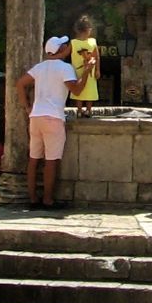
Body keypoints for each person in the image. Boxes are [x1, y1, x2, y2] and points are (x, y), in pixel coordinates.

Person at [17, 35, 81, 210]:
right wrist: (88, 71)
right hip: (53, 117)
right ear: (61, 50)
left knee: (33, 159)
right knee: (51, 161)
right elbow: (77, 90)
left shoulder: (40, 67)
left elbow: (20, 84)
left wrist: (27, 107)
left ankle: (32, 198)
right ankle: (47, 199)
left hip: (36, 116)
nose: (68, 47)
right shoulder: (65, 68)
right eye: (66, 46)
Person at [69, 15, 101, 115]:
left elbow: (96, 56)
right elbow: (97, 57)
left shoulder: (90, 42)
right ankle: (83, 110)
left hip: (85, 70)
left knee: (86, 89)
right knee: (83, 89)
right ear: (87, 30)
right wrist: (97, 70)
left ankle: (85, 110)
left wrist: (97, 70)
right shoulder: (74, 43)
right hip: (82, 70)